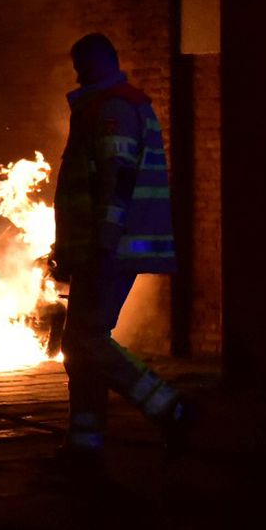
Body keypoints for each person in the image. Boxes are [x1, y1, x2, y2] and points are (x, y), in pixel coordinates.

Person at [50, 33, 185, 463]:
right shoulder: (107, 106)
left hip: (107, 249)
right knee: (80, 343)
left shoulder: (111, 109)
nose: (77, 73)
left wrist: (103, 242)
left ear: (99, 63)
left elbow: (116, 179)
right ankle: (85, 441)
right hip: (98, 248)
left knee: (88, 340)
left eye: (82, 64)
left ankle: (168, 407)